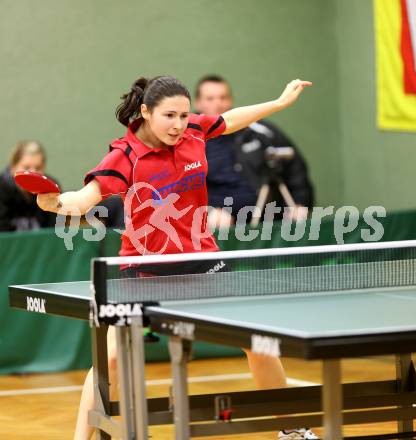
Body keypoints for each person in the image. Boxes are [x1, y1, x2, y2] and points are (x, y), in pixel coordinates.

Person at [37, 75, 318, 440]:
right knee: (111, 360)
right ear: (145, 112)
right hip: (144, 269)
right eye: (170, 116)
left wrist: (278, 103)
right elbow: (84, 198)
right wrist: (56, 203)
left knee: (258, 342)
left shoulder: (194, 133)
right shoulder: (124, 155)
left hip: (202, 260)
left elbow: (231, 119)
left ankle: (290, 427)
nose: (179, 124)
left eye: (185, 116)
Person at [194, 75, 314, 228]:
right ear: (198, 103)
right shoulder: (191, 140)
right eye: (210, 99)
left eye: (223, 97)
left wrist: (300, 202)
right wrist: (208, 210)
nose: (218, 103)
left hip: (270, 211)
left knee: (300, 217)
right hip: (220, 215)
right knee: (217, 220)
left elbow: (295, 167)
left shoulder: (261, 131)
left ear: (230, 100)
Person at [0, 141, 58, 231]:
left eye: (38, 168)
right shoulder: (2, 189)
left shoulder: (50, 190)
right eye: (26, 167)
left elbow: (54, 229)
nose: (33, 173)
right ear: (13, 167)